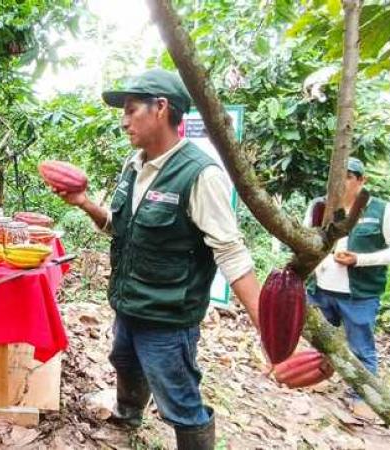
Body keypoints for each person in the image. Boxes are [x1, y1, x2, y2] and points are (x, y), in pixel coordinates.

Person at [54, 69, 260, 450]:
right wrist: (84, 204)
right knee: (125, 362)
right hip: (130, 303)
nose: (123, 120)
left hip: (168, 318)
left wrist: (267, 325)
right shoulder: (134, 165)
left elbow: (231, 252)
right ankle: (127, 415)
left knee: (179, 398)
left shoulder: (200, 175)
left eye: (132, 110)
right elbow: (121, 227)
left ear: (161, 108)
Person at [305, 157, 390, 418]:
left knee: (361, 347)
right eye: (335, 176)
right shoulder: (320, 206)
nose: (339, 183)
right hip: (322, 289)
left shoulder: (382, 211)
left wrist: (360, 259)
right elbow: (307, 238)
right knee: (320, 340)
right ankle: (318, 377)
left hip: (359, 294)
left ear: (361, 181)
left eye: (348, 176)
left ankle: (363, 395)